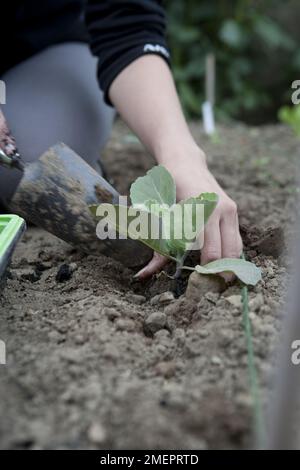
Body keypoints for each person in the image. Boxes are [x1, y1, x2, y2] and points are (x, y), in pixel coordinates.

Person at [0, 0, 242, 279]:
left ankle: (90, 176)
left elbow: (129, 27)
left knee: (19, 167)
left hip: (41, 53)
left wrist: (182, 157)